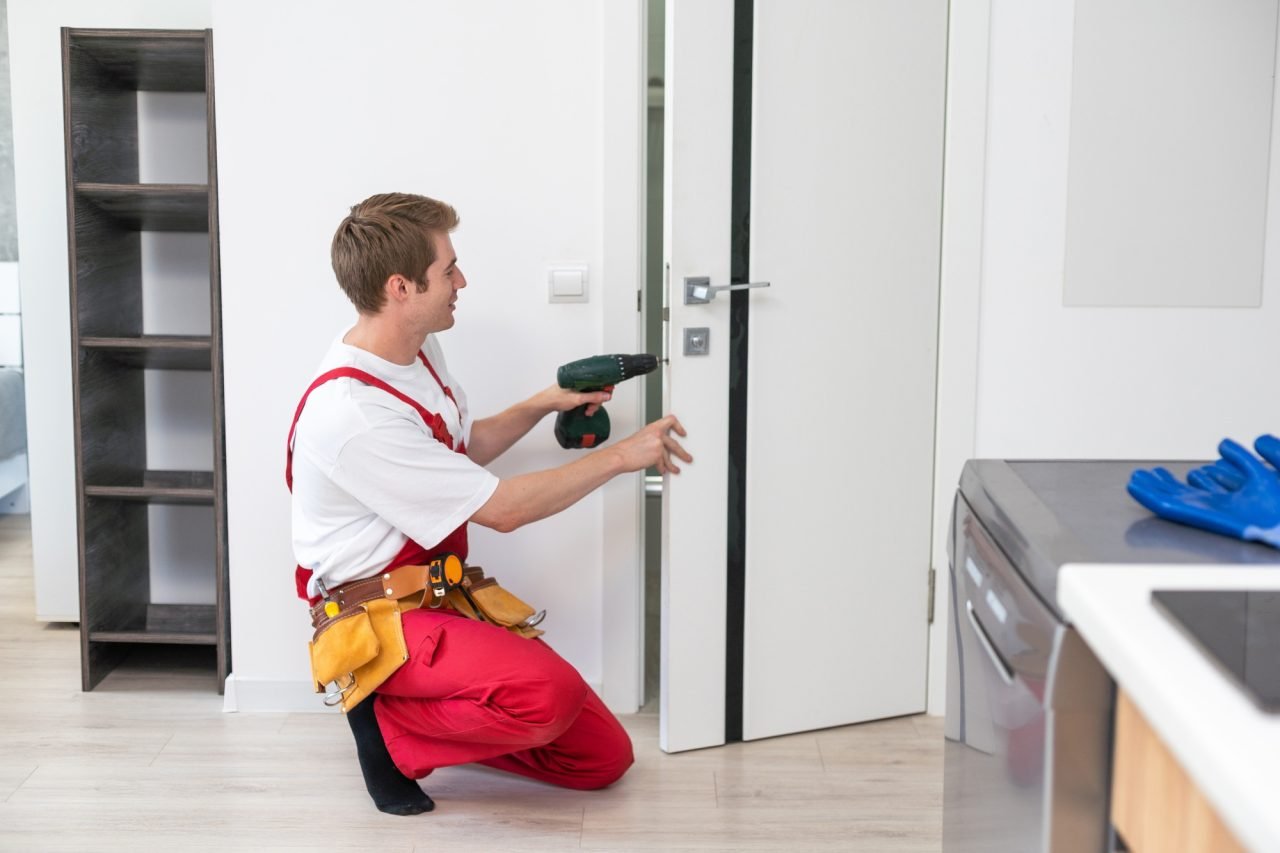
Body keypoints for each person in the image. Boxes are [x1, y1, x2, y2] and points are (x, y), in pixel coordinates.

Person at [287, 192, 691, 815]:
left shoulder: (417, 352)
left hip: (437, 596)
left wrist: (542, 403)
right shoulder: (353, 414)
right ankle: (388, 733)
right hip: (377, 618)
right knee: (548, 695)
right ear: (401, 287)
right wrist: (621, 457)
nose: (462, 282)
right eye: (448, 270)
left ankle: (427, 720)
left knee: (602, 758)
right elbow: (502, 510)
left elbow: (458, 450)